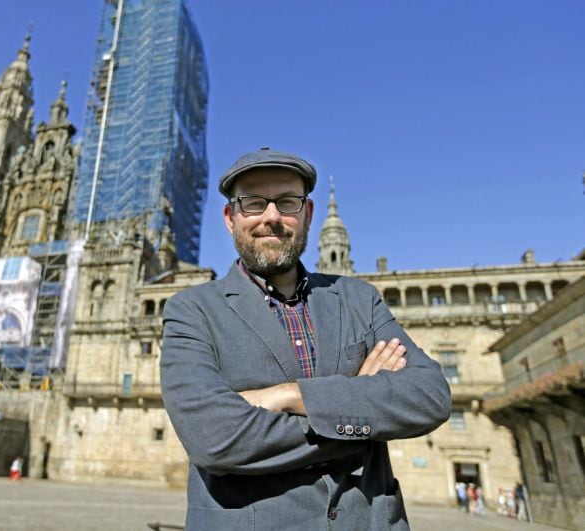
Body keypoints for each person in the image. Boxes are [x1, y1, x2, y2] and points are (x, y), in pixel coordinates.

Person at [160, 148, 452, 530]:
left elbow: (430, 395)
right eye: (253, 203)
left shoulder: (359, 300)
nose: (271, 217)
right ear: (231, 218)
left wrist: (289, 396)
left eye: (287, 202)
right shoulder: (191, 310)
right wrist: (361, 401)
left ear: (307, 215)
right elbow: (214, 438)